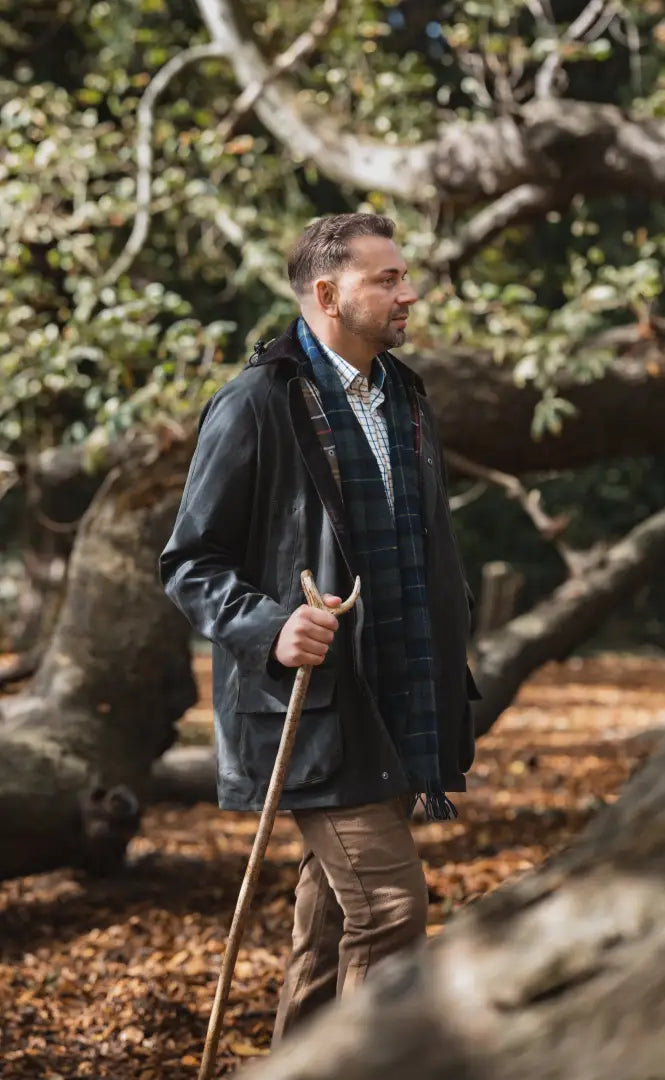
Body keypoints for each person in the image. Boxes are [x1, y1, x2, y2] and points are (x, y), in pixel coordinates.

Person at [159, 212, 481, 1042]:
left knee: (335, 923)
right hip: (312, 710)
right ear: (328, 293)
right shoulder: (255, 402)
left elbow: (421, 546)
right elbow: (190, 560)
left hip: (400, 698)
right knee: (391, 910)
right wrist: (269, 625)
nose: (409, 293)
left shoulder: (404, 394)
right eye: (388, 279)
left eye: (405, 276)